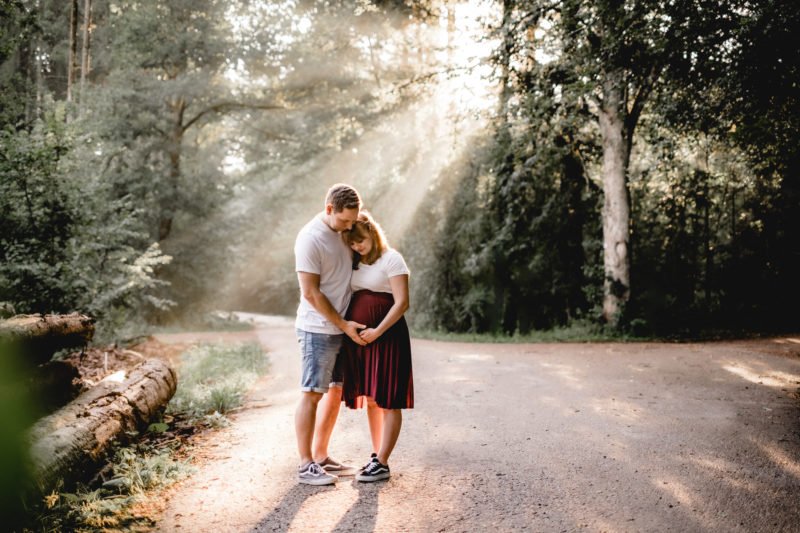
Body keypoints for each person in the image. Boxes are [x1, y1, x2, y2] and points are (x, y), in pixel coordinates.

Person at [294, 183, 367, 485]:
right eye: (345, 221)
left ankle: (322, 455)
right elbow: (310, 293)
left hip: (340, 327)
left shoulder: (343, 231)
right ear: (329, 210)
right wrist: (342, 324)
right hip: (318, 329)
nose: (350, 227)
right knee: (312, 393)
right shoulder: (310, 239)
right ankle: (305, 464)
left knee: (335, 392)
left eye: (353, 220)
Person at [341, 210, 414, 483]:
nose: (356, 246)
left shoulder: (392, 259)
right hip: (361, 340)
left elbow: (402, 302)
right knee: (371, 398)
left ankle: (383, 461)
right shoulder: (355, 263)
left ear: (372, 233)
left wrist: (378, 331)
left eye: (360, 240)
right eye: (352, 242)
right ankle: (376, 454)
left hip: (387, 336)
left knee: (388, 399)